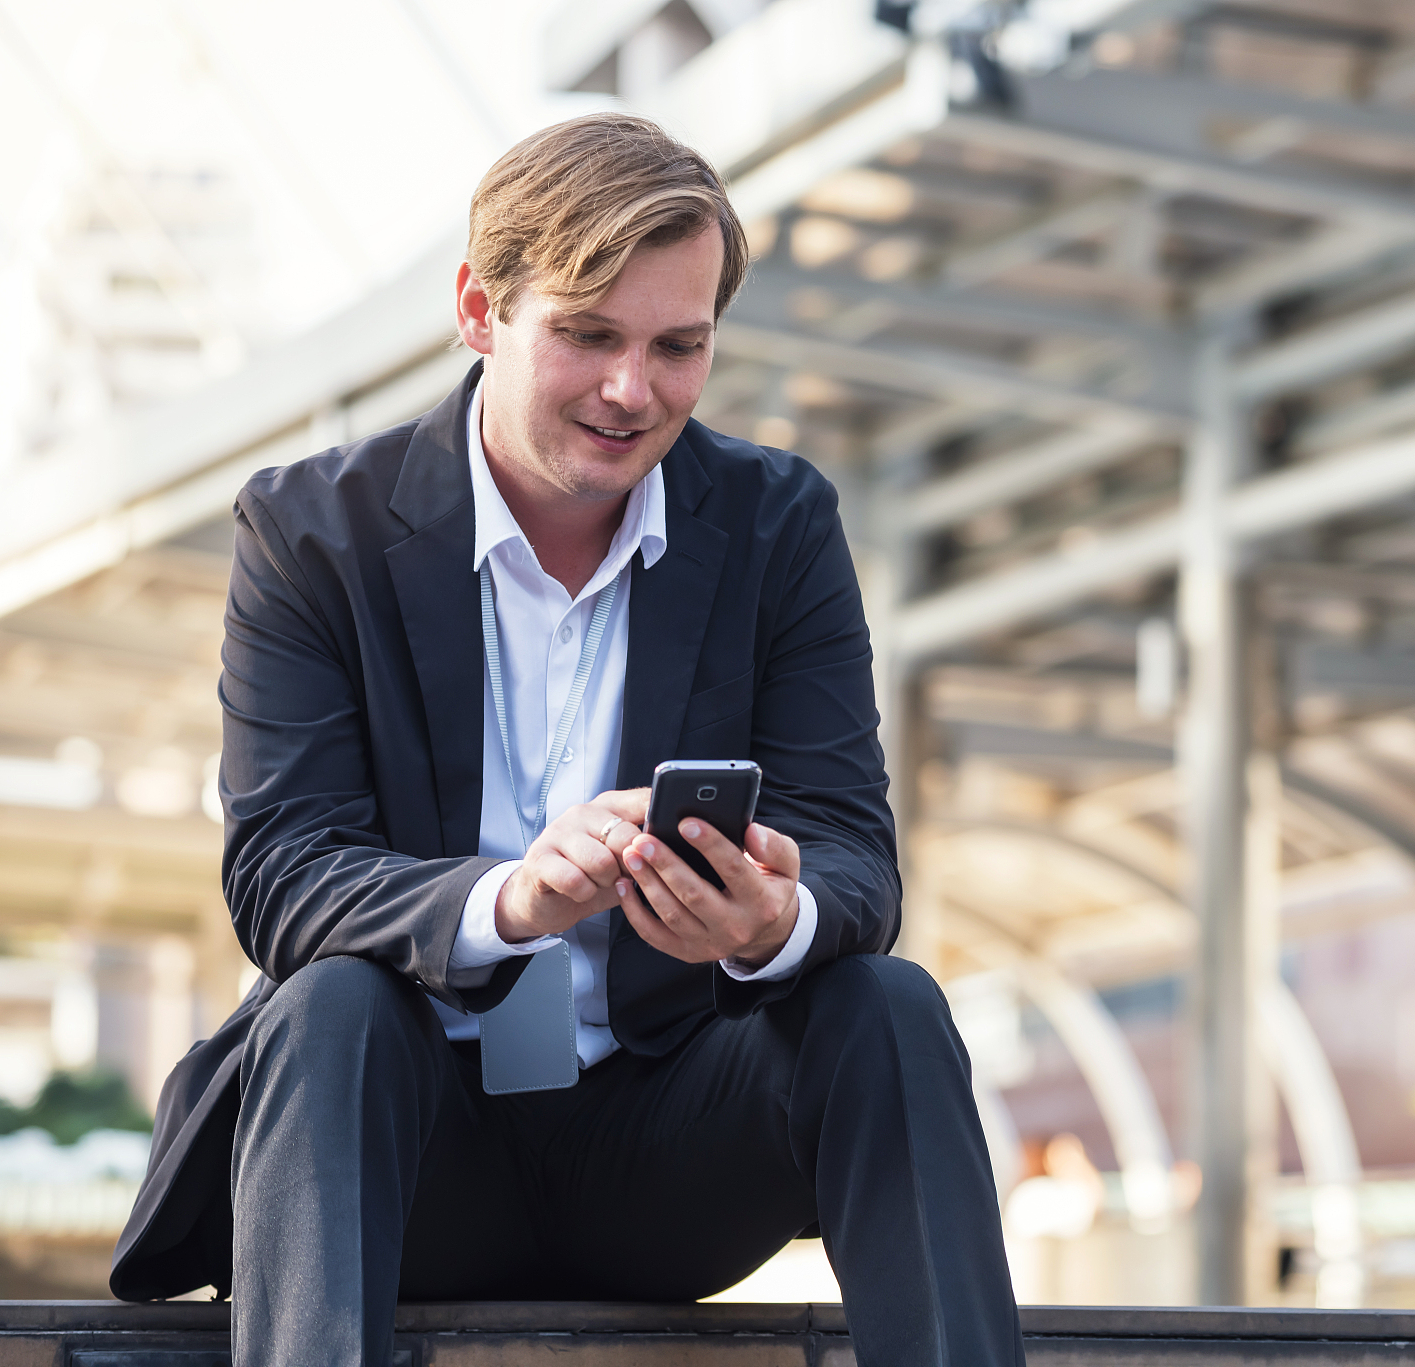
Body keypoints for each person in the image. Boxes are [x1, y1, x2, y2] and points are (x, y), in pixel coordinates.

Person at [107, 112, 1026, 1367]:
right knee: (326, 1006)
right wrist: (510, 898)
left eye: (677, 346)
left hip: (668, 1151)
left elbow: (856, 857)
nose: (630, 390)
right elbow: (283, 874)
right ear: (481, 310)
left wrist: (769, 923)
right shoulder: (312, 531)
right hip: (412, 1152)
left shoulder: (777, 525)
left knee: (886, 1001)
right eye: (587, 334)